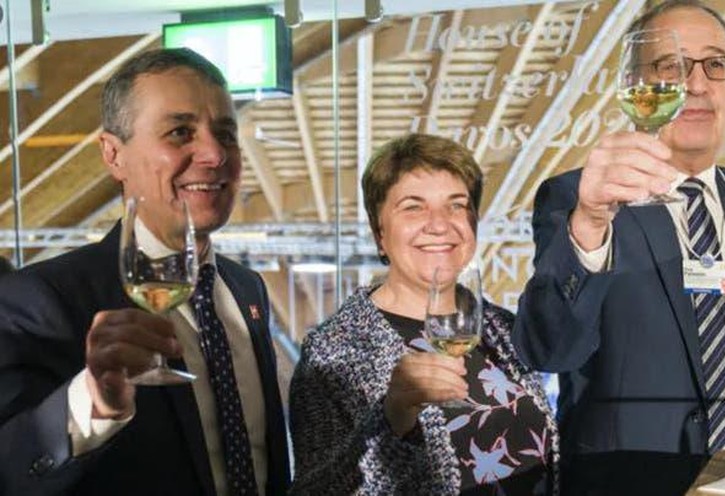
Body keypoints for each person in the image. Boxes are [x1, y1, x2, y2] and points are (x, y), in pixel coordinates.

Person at [511, 0, 725, 492]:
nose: (697, 84)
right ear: (634, 87)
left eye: (714, 64)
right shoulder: (582, 199)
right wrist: (592, 220)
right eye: (670, 67)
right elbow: (549, 349)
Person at [0, 48, 290, 495]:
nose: (214, 153)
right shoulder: (43, 297)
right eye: (180, 132)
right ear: (113, 155)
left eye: (226, 134)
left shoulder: (245, 289)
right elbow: (12, 471)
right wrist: (92, 401)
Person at [288, 133, 558, 495]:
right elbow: (314, 490)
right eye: (413, 207)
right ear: (379, 232)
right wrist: (391, 418)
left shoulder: (502, 328)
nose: (439, 223)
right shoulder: (333, 350)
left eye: (456, 205)